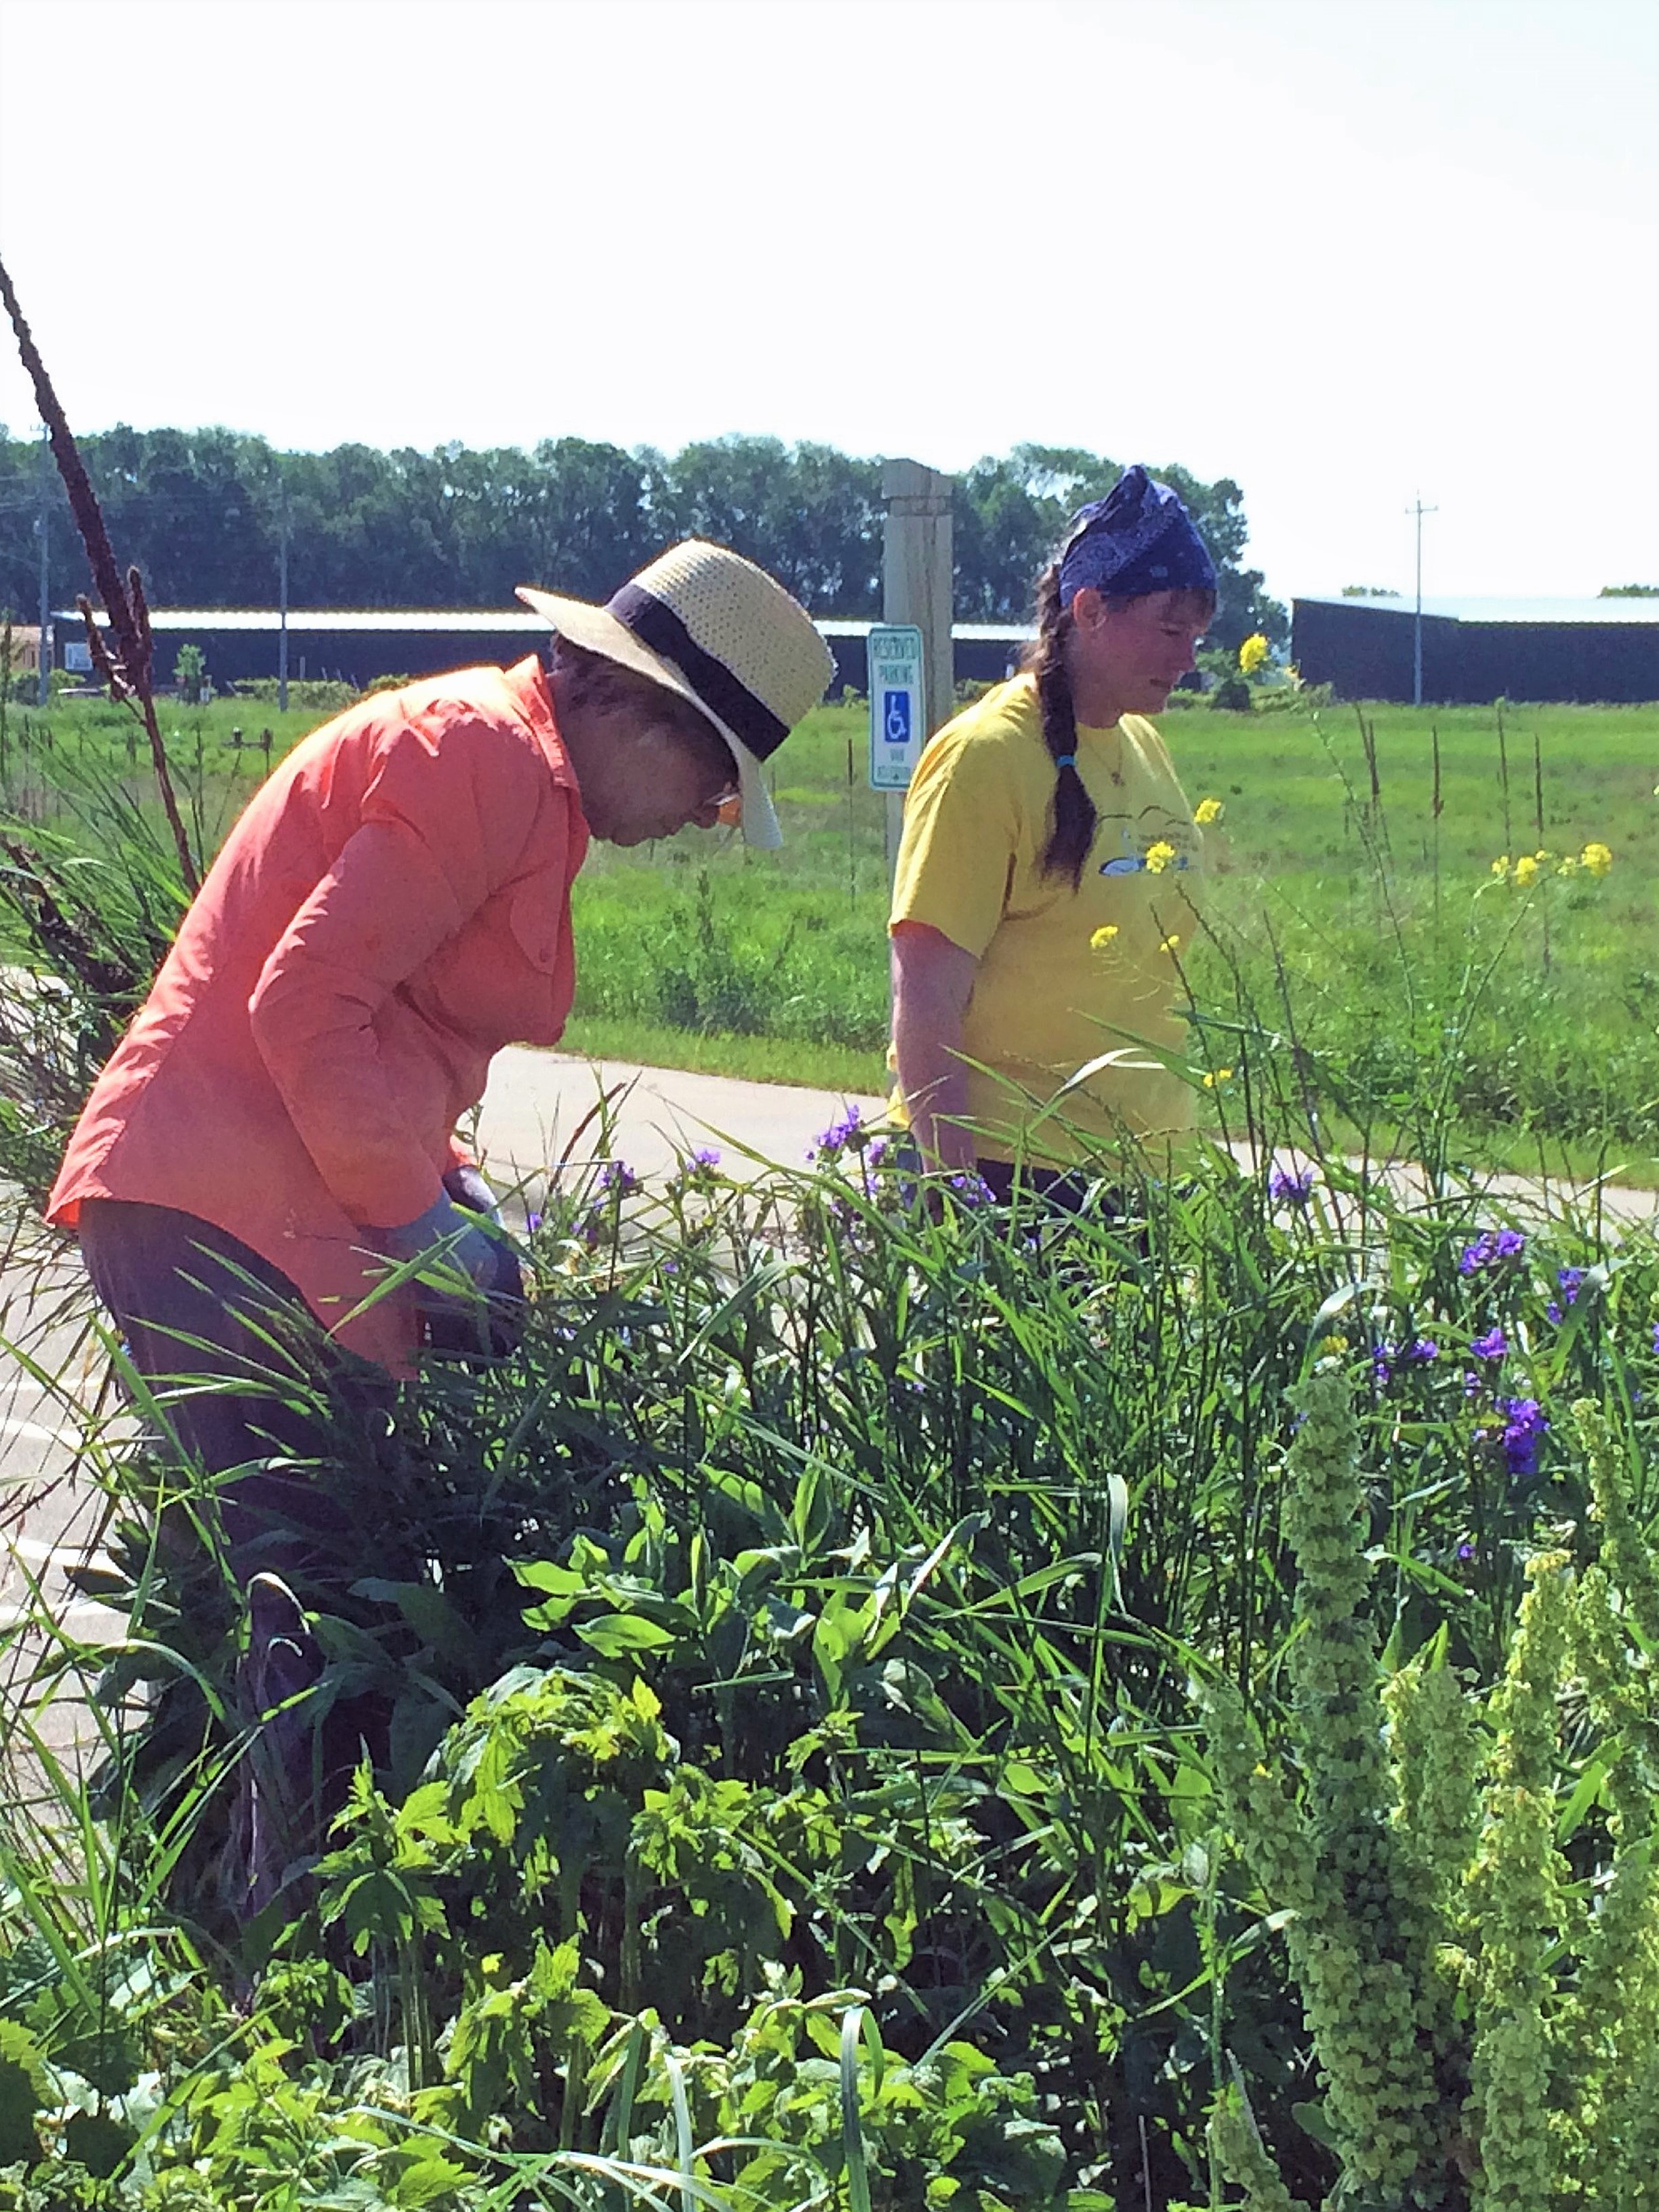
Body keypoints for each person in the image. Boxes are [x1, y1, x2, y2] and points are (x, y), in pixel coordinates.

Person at [45, 539, 831, 1910]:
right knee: (312, 1594)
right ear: (640, 710)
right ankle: (278, 1970)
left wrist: (446, 1189)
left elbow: (384, 1029)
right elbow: (308, 1009)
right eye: (717, 779)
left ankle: (188, 1923)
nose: (712, 814)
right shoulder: (486, 757)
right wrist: (417, 1223)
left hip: (255, 1203)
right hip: (225, 1206)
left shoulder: (514, 771)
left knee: (261, 1593)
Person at [888, 467, 1216, 1202]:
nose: (1188, 657)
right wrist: (954, 1195)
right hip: (1012, 1171)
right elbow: (926, 993)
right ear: (1090, 608)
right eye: (1170, 628)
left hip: (1143, 1172)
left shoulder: (1146, 749)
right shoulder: (985, 757)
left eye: (1197, 633)